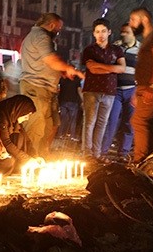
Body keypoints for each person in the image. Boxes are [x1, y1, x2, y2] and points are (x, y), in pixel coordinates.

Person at [19, 13, 84, 157]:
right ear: (52, 25)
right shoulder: (41, 37)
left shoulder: (37, 36)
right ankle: (30, 159)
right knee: (37, 126)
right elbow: (50, 60)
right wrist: (69, 68)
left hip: (46, 89)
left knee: (51, 125)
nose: (58, 33)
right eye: (58, 29)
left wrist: (60, 73)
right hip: (37, 88)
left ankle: (42, 156)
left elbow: (44, 64)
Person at [81, 18, 125, 159]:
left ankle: (97, 154)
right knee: (89, 122)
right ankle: (87, 154)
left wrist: (102, 67)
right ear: (94, 33)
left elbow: (122, 68)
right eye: (98, 31)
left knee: (102, 123)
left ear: (109, 32)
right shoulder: (89, 50)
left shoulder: (116, 50)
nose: (101, 34)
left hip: (109, 91)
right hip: (92, 90)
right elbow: (92, 69)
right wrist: (112, 69)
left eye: (104, 31)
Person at [129, 8, 153, 164]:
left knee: (138, 121)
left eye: (133, 19)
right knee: (148, 121)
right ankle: (149, 160)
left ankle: (140, 160)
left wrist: (152, 86)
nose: (131, 24)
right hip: (145, 86)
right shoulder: (148, 38)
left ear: (144, 19)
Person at [100, 23, 140, 159]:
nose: (123, 34)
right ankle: (103, 152)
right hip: (115, 90)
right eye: (122, 32)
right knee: (111, 121)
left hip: (132, 90)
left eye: (126, 32)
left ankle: (123, 153)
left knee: (129, 123)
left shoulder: (140, 49)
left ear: (134, 34)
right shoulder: (116, 47)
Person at [0, 95, 38, 172]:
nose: (27, 118)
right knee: (9, 162)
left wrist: (35, 157)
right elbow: (6, 142)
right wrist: (27, 159)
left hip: (5, 153)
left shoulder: (14, 121)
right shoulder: (1, 116)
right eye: (27, 115)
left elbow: (27, 141)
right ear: (19, 110)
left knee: (20, 138)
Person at [57, 75, 82, 141]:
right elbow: (79, 90)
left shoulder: (62, 77)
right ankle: (72, 136)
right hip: (73, 101)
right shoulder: (76, 78)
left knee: (62, 119)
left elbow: (58, 88)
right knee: (73, 120)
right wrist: (82, 100)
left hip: (63, 101)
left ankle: (60, 134)